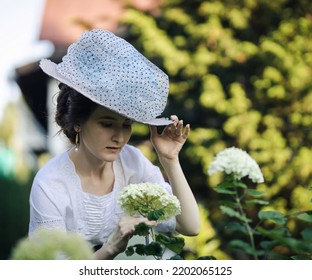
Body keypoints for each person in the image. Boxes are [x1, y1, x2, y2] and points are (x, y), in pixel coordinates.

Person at [29, 29, 200, 260]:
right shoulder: (50, 184)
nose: (119, 137)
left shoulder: (133, 162)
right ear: (78, 123)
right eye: (107, 124)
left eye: (126, 125)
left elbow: (190, 226)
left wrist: (170, 160)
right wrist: (109, 249)